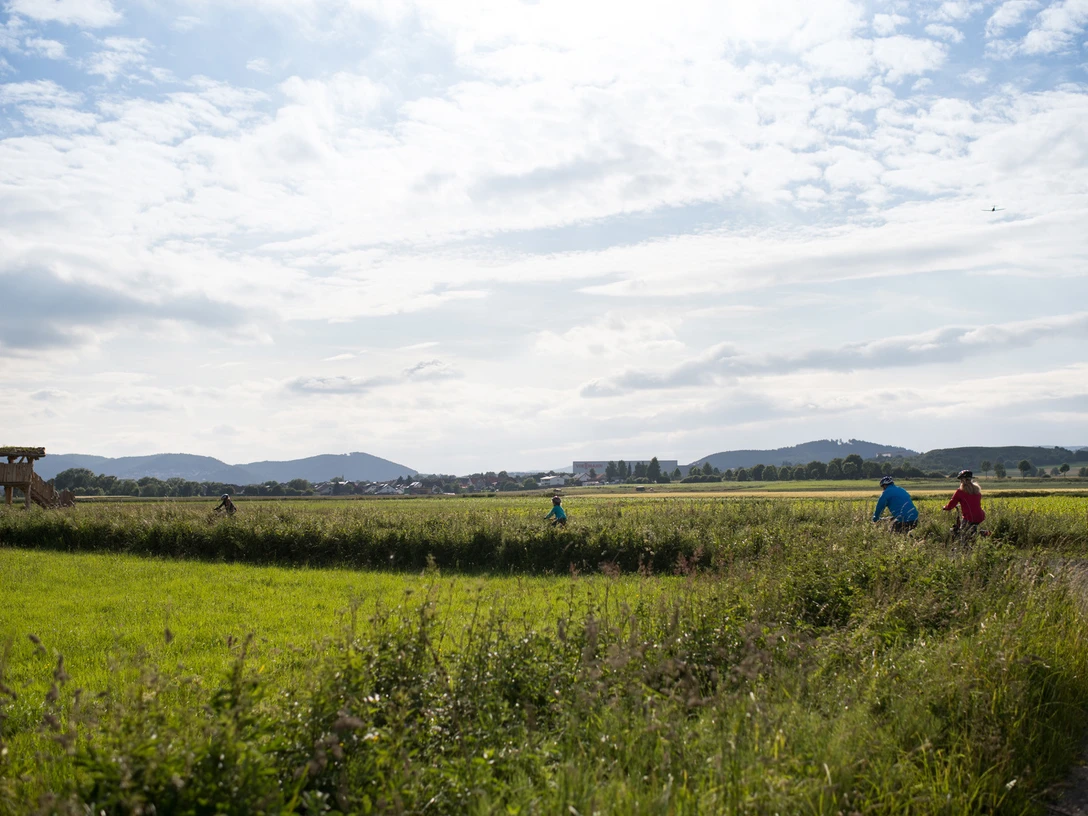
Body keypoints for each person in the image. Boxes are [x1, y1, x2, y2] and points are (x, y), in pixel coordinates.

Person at [943, 470, 985, 540]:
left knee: (962, 534)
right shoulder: (977, 490)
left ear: (963, 480)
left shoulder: (960, 492)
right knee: (973, 531)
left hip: (969, 517)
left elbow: (952, 503)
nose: (960, 482)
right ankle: (979, 535)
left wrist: (946, 507)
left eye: (961, 480)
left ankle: (964, 545)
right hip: (980, 516)